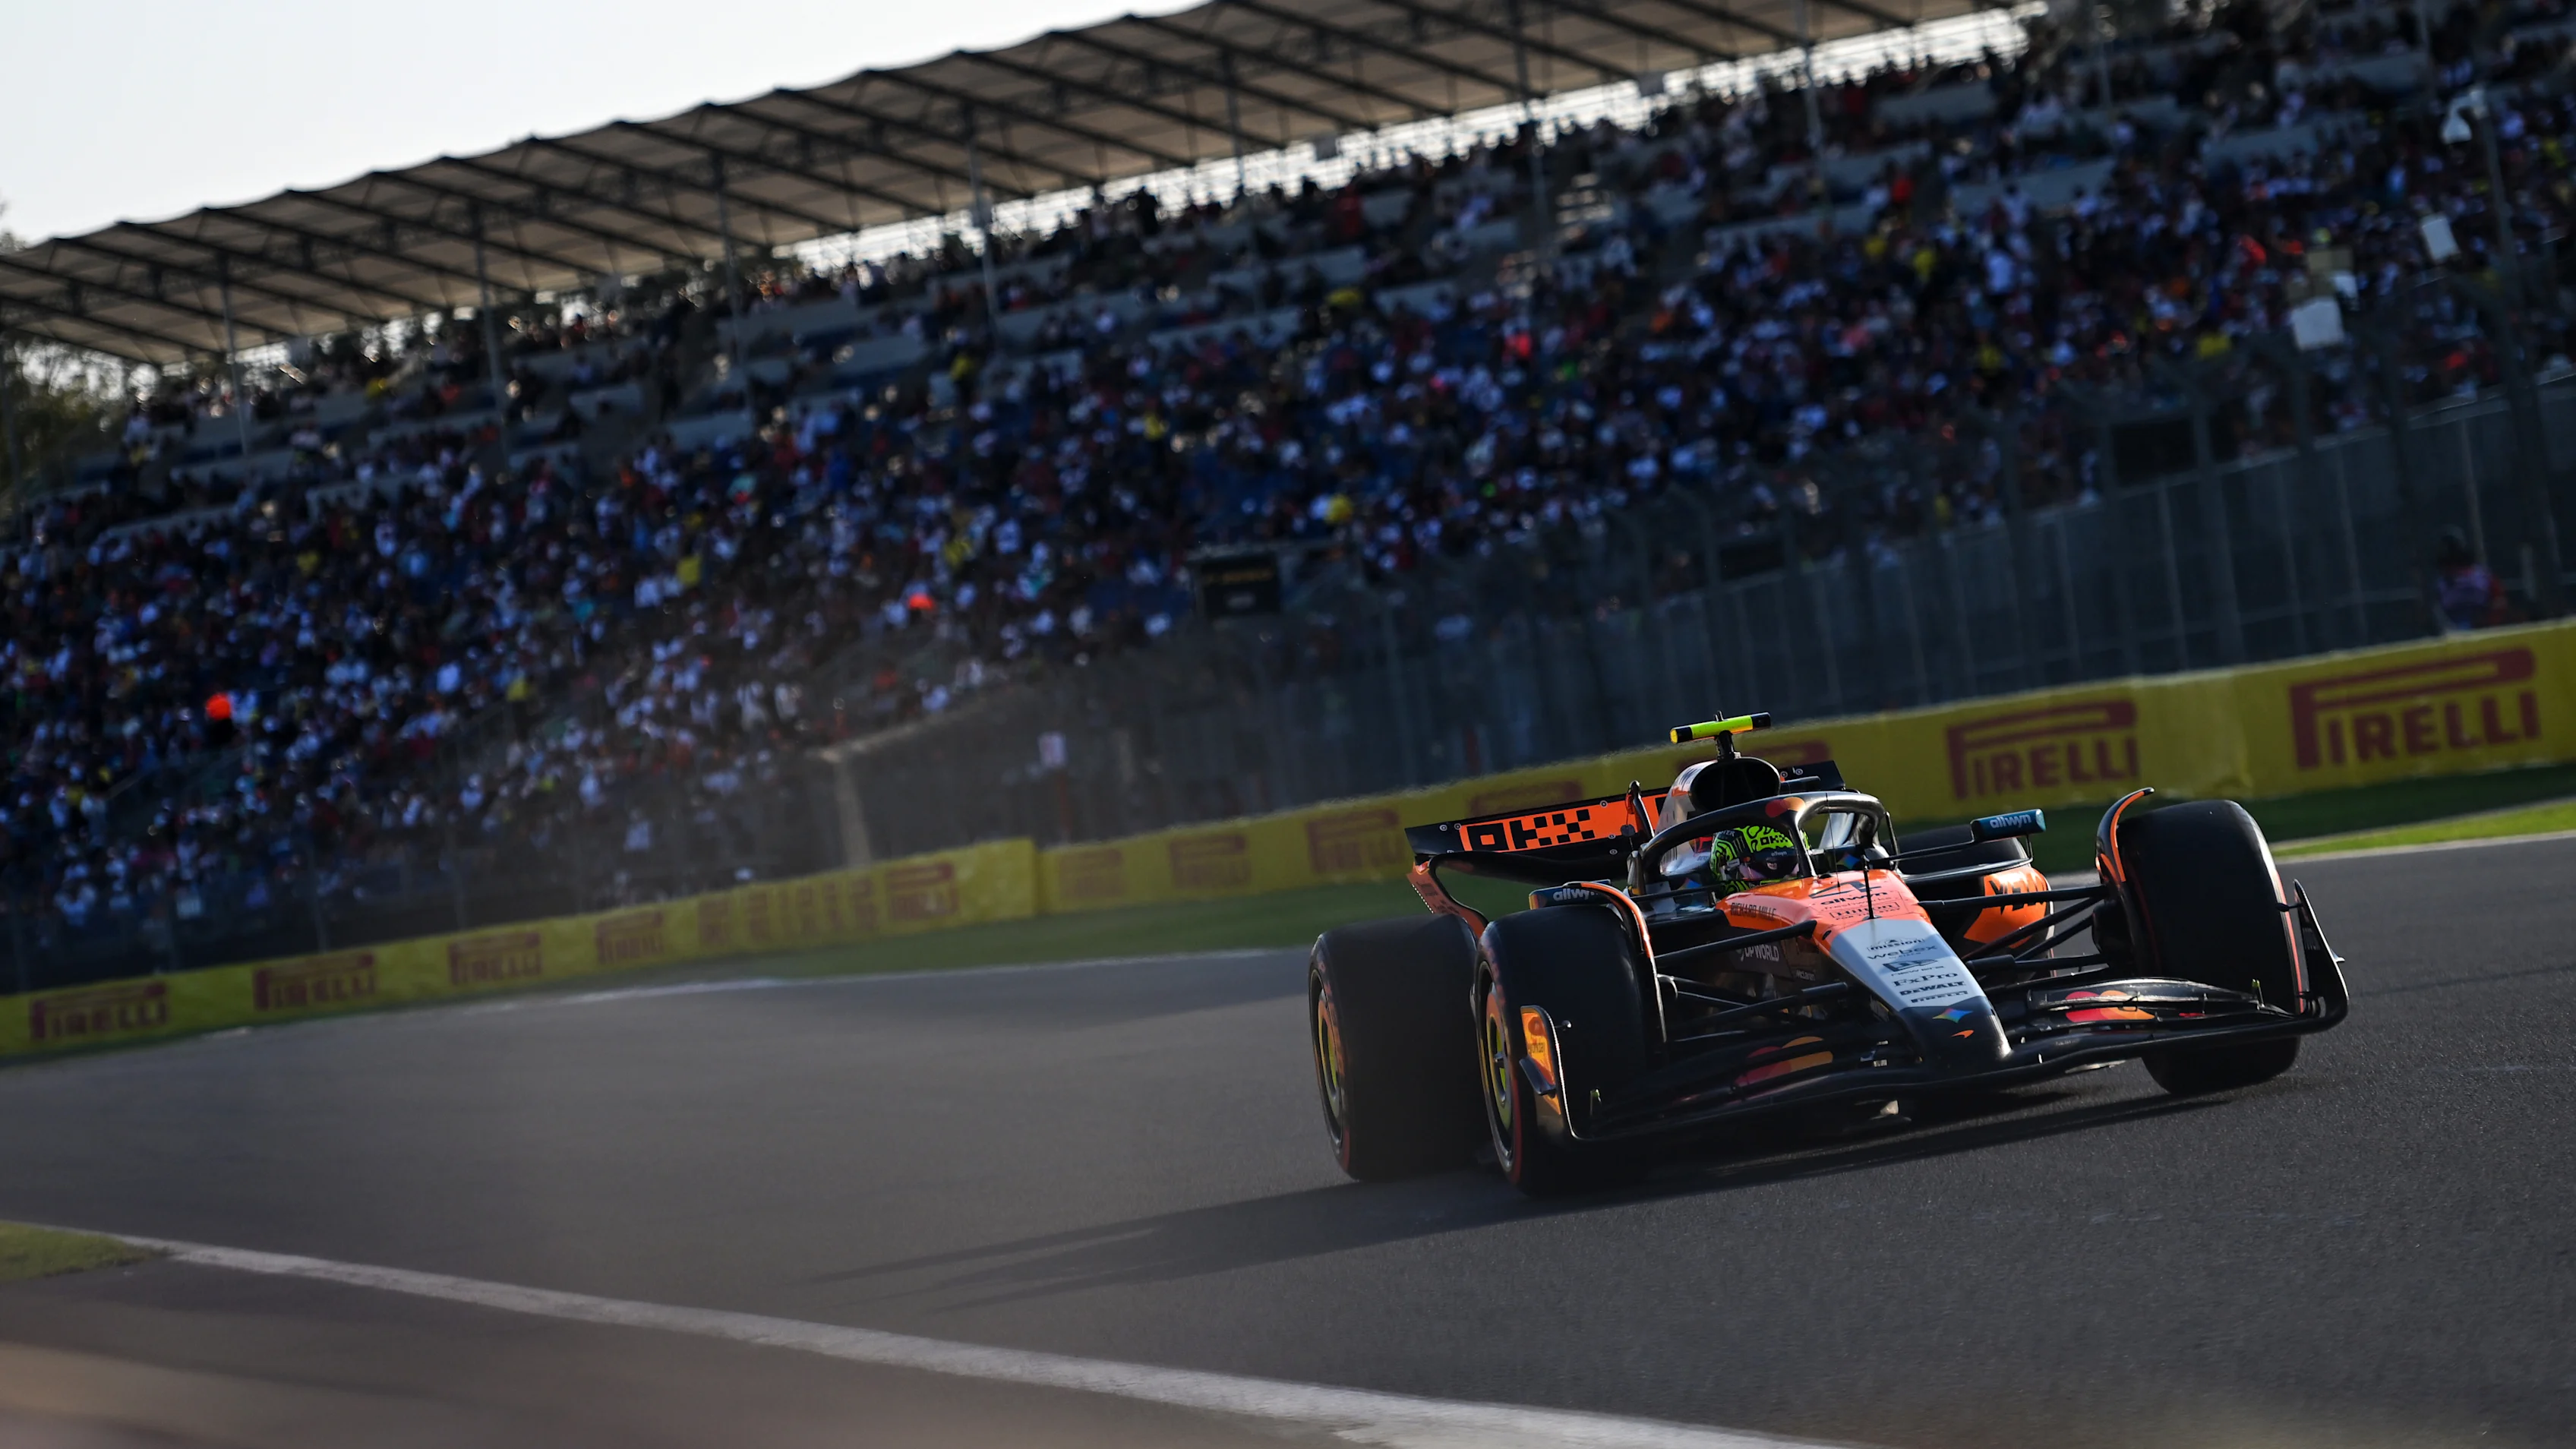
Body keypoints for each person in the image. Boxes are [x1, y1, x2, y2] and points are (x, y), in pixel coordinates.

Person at [2433, 529, 2507, 632]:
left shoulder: (2482, 577)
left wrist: (2488, 620)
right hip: (2454, 631)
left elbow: (2499, 601)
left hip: (2484, 627)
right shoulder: (2441, 585)